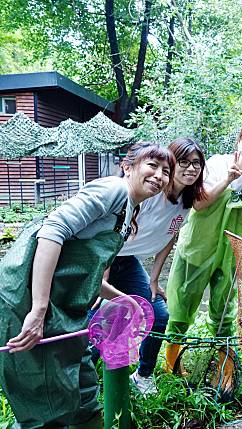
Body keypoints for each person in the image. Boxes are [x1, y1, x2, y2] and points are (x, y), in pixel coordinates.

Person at [0, 142, 174, 429]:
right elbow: (52, 231)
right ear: (128, 167)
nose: (159, 175)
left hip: (65, 307)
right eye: (152, 165)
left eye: (166, 171)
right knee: (46, 403)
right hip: (27, 300)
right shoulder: (112, 190)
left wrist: (124, 299)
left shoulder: (129, 209)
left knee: (83, 393)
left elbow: (87, 269)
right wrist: (38, 309)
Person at [164, 119, 242, 399]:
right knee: (181, 307)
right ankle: (170, 365)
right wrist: (228, 180)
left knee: (224, 311)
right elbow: (197, 203)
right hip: (198, 247)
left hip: (231, 254)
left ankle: (225, 369)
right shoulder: (216, 163)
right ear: (238, 141)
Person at [100, 137, 208, 396]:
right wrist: (100, 278)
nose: (191, 169)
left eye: (196, 164)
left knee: (159, 315)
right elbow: (109, 235)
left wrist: (154, 280)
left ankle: (143, 374)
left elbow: (169, 238)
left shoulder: (185, 203)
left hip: (126, 261)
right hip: (103, 260)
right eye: (183, 162)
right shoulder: (149, 193)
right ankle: (91, 382)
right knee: (94, 320)